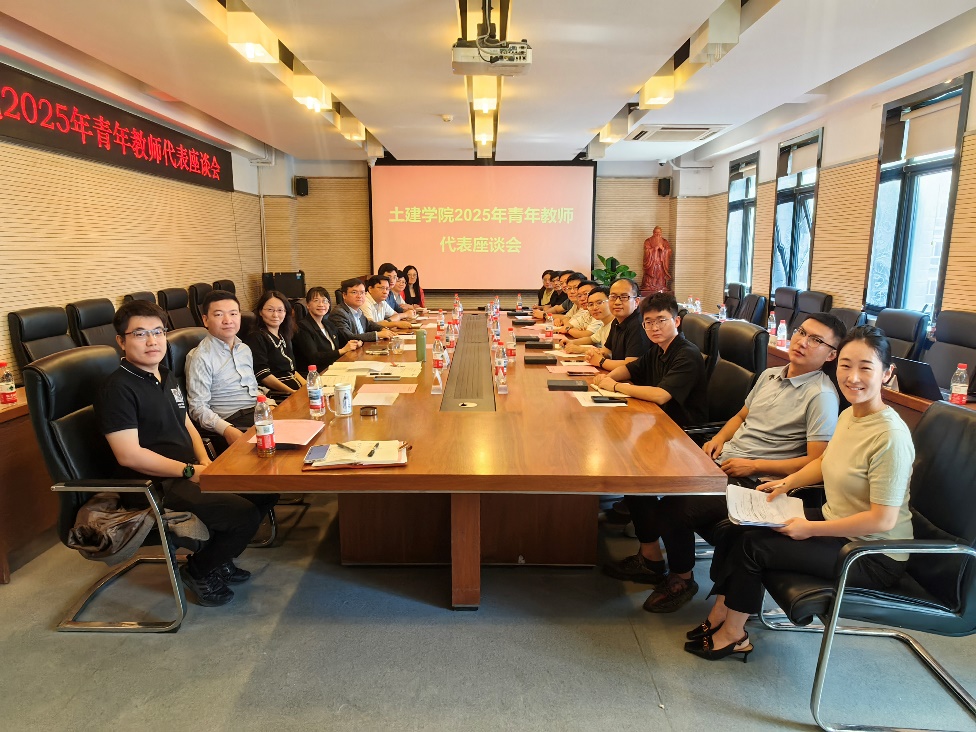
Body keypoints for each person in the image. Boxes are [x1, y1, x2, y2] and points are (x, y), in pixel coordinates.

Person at [686, 326, 913, 661]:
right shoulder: (851, 414)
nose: (852, 377)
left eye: (865, 368)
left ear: (887, 373)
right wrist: (787, 483)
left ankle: (735, 633)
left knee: (753, 546)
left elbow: (883, 520)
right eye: (846, 366)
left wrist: (810, 528)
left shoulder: (890, 436)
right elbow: (825, 461)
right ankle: (721, 611)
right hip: (838, 525)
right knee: (739, 528)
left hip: (872, 553)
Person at [604, 313, 846, 613]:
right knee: (638, 471)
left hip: (755, 481)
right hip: (723, 460)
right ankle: (650, 558)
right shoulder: (771, 374)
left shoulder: (821, 395)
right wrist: (718, 438)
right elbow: (742, 415)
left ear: (831, 355)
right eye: (801, 332)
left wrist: (754, 466)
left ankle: (681, 579)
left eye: (816, 340)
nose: (803, 342)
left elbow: (815, 461)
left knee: (673, 509)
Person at [96, 299, 266, 606]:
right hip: (155, 486)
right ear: (121, 341)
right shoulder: (118, 388)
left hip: (186, 471)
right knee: (244, 515)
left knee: (263, 491)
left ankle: (218, 556)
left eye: (158, 332)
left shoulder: (163, 374)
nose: (152, 341)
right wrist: (189, 471)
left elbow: (185, 421)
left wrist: (204, 461)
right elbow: (129, 455)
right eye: (140, 334)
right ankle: (200, 570)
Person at [592, 292, 707, 427]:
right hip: (656, 416)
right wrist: (607, 379)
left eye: (661, 321)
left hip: (680, 428)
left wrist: (615, 386)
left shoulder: (687, 354)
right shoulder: (658, 348)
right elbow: (630, 369)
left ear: (676, 321)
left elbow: (661, 395)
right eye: (649, 322)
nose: (655, 328)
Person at [186, 290, 264, 448]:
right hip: (233, 422)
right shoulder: (200, 357)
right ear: (205, 320)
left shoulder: (244, 349)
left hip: (259, 413)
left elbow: (252, 388)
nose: (228, 321)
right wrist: (227, 430)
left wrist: (269, 404)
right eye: (219, 315)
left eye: (233, 314)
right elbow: (198, 408)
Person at [567, 278, 650, 371]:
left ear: (637, 301)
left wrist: (601, 361)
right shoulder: (617, 321)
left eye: (624, 297)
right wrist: (595, 354)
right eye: (613, 297)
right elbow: (607, 351)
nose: (617, 302)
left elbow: (632, 365)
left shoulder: (639, 325)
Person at [244, 290, 305, 402]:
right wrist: (293, 393)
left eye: (280, 310)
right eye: (270, 310)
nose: (275, 315)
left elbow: (292, 371)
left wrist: (308, 387)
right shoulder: (256, 337)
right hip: (277, 396)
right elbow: (263, 376)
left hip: (294, 392)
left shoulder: (284, 335)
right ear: (260, 312)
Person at [293, 287, 363, 373]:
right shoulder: (302, 327)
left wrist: (355, 342)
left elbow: (344, 340)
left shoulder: (328, 324)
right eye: (316, 301)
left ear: (329, 305)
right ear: (308, 305)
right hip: (316, 374)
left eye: (325, 301)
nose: (321, 304)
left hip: (333, 368)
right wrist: (342, 351)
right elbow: (314, 357)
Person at [329, 277, 395, 343]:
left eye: (362, 292)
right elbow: (349, 337)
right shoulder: (339, 313)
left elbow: (369, 325)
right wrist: (377, 334)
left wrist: (382, 329)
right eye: (354, 292)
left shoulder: (358, 311)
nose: (359, 296)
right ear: (344, 295)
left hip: (363, 347)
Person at [641, 226, 672, 293]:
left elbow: (669, 251)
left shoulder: (664, 241)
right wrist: (654, 249)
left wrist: (663, 249)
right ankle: (649, 286)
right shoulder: (648, 241)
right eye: (656, 232)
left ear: (661, 233)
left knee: (660, 274)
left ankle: (661, 286)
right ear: (653, 232)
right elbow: (646, 251)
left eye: (659, 232)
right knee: (650, 275)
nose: (657, 234)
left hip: (661, 262)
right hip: (652, 262)